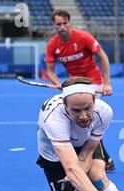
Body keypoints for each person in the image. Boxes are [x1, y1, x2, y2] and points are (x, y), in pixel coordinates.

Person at [45, 9, 115, 171]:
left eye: (64, 23)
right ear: (54, 25)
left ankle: (100, 158)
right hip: (73, 86)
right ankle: (101, 157)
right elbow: (50, 71)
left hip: (93, 82)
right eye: (58, 24)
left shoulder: (83, 37)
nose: (62, 27)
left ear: (69, 23)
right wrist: (60, 85)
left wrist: (107, 83)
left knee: (89, 121)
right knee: (80, 122)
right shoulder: (52, 45)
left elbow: (103, 57)